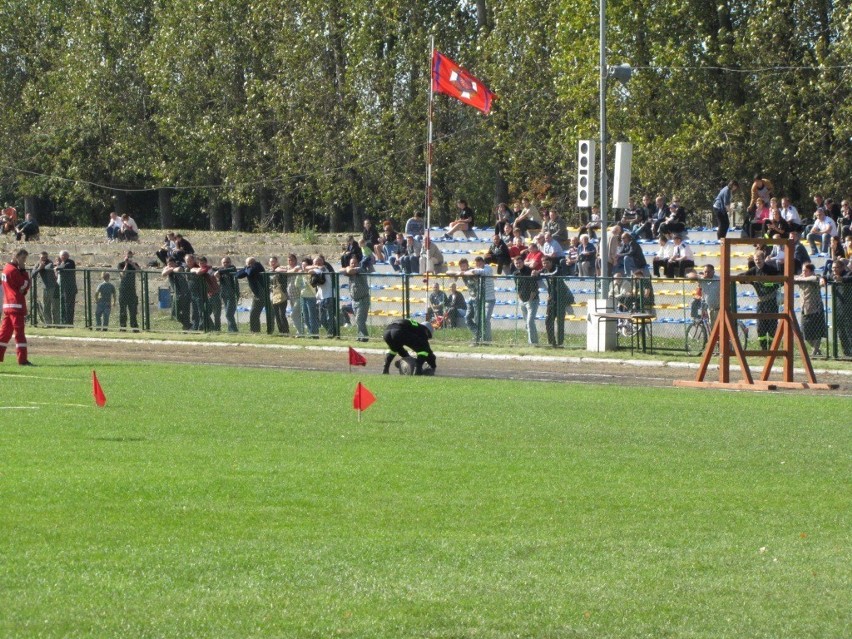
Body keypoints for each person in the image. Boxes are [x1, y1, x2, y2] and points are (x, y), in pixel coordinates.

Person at [0, 249, 34, 365]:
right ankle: (22, 360)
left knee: (4, 333)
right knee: (19, 334)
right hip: (16, 305)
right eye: (23, 259)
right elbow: (25, 284)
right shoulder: (14, 270)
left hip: (8, 305)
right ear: (16, 256)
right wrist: (24, 271)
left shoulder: (6, 269)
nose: (24, 261)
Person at [745, 250, 780, 350]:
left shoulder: (771, 270)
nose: (757, 262)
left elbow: (781, 280)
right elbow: (742, 277)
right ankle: (763, 349)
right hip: (761, 303)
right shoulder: (753, 270)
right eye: (755, 260)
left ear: (764, 259)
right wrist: (747, 280)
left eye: (759, 260)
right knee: (761, 327)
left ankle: (773, 348)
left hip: (772, 302)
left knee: (772, 326)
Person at [541, 254, 574, 348]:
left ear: (551, 262)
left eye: (547, 263)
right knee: (548, 321)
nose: (545, 265)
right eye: (543, 263)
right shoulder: (544, 270)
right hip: (551, 300)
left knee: (560, 322)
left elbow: (553, 274)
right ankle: (551, 342)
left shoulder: (557, 269)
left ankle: (560, 343)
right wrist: (535, 273)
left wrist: (541, 274)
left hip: (560, 299)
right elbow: (539, 274)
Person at [795, 262, 827, 356]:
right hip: (804, 309)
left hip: (815, 309)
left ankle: (814, 352)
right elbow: (792, 278)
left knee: (817, 333)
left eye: (806, 270)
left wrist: (801, 278)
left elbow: (817, 278)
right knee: (805, 333)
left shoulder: (815, 278)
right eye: (803, 270)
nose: (803, 272)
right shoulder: (801, 278)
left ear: (811, 271)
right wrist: (800, 277)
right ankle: (817, 350)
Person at [825, 260, 852, 356]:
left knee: (849, 331)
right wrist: (822, 279)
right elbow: (825, 277)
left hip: (848, 308)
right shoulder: (833, 275)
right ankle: (847, 353)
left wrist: (842, 279)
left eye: (836, 267)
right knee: (841, 332)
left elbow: (849, 278)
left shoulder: (848, 273)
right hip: (837, 308)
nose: (834, 270)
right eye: (832, 268)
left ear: (842, 268)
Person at [341, 256, 371, 341]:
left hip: (363, 300)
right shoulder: (350, 270)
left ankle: (365, 337)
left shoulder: (360, 269)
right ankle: (360, 337)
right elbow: (340, 270)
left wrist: (348, 268)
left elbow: (350, 270)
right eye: (351, 263)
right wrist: (347, 268)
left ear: (358, 263)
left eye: (355, 263)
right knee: (358, 320)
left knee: (359, 319)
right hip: (354, 301)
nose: (353, 264)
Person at [512, 254, 539, 345]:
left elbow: (534, 288)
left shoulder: (529, 271)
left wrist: (530, 300)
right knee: (527, 323)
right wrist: (521, 299)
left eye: (520, 262)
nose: (518, 264)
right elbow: (517, 287)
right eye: (516, 263)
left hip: (532, 300)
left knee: (530, 322)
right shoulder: (515, 273)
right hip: (522, 300)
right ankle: (534, 342)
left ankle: (532, 343)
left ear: (523, 262)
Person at [235, 257, 267, 333]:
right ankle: (255, 331)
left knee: (254, 313)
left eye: (251, 263)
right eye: (248, 263)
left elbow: (250, 272)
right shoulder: (248, 267)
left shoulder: (258, 266)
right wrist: (247, 268)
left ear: (254, 262)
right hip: (256, 294)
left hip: (262, 294)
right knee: (254, 313)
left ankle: (255, 331)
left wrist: (247, 268)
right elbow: (237, 275)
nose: (250, 265)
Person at [162, 258, 192, 330]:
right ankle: (188, 325)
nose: (170, 265)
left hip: (185, 293)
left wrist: (171, 268)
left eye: (172, 263)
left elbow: (178, 270)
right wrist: (170, 269)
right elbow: (163, 274)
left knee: (185, 313)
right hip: (177, 294)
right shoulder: (168, 269)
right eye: (169, 264)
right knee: (175, 314)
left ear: (175, 263)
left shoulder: (180, 267)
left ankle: (187, 327)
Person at [31, 251, 59, 325]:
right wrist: (39, 268)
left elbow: (49, 267)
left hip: (53, 288)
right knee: (46, 307)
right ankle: (48, 324)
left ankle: (57, 324)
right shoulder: (38, 264)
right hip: (43, 288)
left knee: (55, 307)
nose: (44, 259)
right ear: (39, 257)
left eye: (45, 257)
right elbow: (32, 274)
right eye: (42, 257)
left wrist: (42, 267)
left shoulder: (50, 263)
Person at [117, 250, 140, 331]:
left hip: (132, 290)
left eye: (130, 256)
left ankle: (134, 326)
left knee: (133, 310)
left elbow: (139, 271)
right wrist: (126, 264)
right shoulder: (121, 264)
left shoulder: (134, 264)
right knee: (123, 310)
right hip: (123, 290)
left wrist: (132, 263)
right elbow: (122, 274)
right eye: (128, 256)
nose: (129, 258)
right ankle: (123, 327)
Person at [216, 256, 239, 332]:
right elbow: (216, 274)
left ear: (230, 262)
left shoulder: (232, 268)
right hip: (224, 295)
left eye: (227, 262)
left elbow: (230, 270)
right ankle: (231, 330)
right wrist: (218, 274)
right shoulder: (221, 270)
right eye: (224, 262)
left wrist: (219, 272)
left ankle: (234, 331)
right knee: (228, 314)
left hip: (232, 295)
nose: (226, 264)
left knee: (228, 314)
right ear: (221, 263)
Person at [268, 256, 290, 335]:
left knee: (282, 314)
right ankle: (281, 331)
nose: (272, 263)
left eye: (274, 261)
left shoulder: (280, 270)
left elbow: (285, 275)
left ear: (277, 262)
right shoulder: (269, 272)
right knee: (276, 314)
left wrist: (278, 270)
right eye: (271, 262)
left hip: (282, 294)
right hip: (273, 295)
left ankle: (286, 331)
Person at [55, 250, 77, 325]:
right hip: (63, 289)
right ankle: (63, 322)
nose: (63, 257)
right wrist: (58, 266)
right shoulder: (61, 263)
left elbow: (64, 267)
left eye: (64, 255)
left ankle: (69, 323)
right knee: (63, 306)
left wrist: (57, 267)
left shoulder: (70, 262)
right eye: (62, 255)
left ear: (67, 256)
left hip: (69, 289)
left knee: (69, 306)